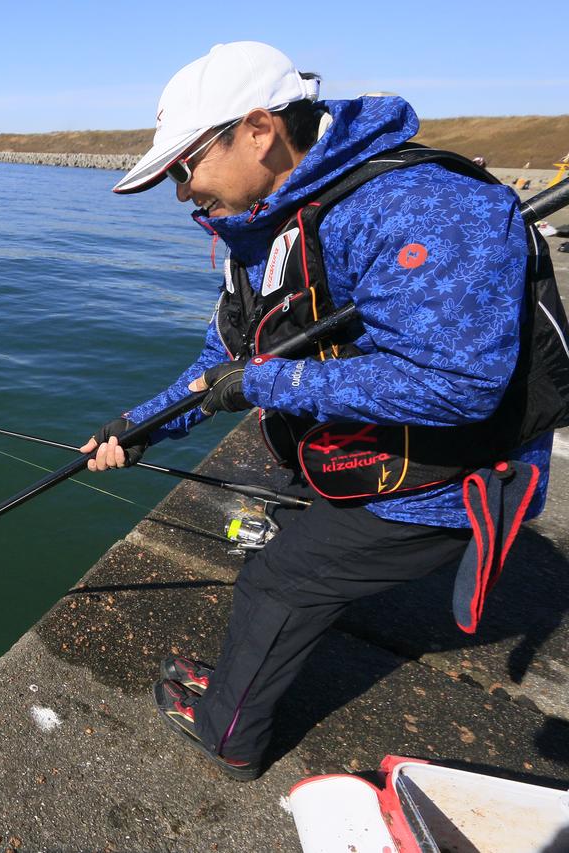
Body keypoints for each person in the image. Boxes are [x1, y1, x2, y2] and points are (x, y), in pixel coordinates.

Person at [79, 41, 557, 780]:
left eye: (184, 167)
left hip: (453, 473)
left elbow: (457, 385)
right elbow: (222, 363)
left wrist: (269, 385)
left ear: (260, 130)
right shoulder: (263, 225)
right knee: (294, 534)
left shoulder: (423, 206)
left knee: (277, 580)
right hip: (372, 448)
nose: (180, 191)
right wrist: (137, 427)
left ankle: (228, 735)